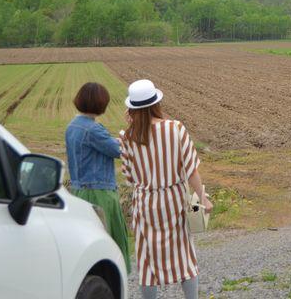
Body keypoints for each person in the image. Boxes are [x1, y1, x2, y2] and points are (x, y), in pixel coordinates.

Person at [119, 79, 212, 299]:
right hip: (174, 200)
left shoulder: (126, 137)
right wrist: (203, 198)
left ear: (131, 108)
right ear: (156, 103)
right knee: (184, 255)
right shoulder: (175, 128)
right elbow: (191, 169)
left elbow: (130, 177)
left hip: (145, 203)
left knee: (146, 260)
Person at [64, 82, 131, 272]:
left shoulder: (72, 126)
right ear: (100, 104)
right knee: (109, 245)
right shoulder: (93, 129)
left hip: (78, 191)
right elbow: (120, 151)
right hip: (99, 193)